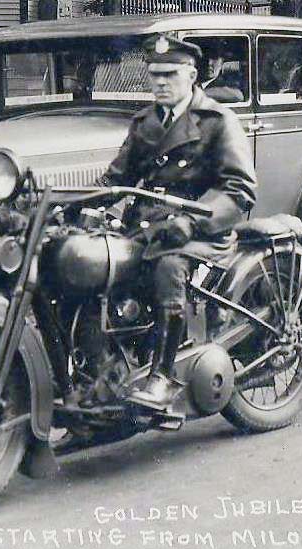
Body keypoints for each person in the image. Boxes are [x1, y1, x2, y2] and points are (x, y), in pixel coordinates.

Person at [97, 34, 257, 412]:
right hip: (148, 230)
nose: (160, 82)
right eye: (154, 75)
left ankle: (163, 376)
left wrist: (192, 221)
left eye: (170, 74)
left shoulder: (218, 121)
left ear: (192, 75)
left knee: (168, 268)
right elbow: (115, 179)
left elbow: (239, 190)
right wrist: (68, 201)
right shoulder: (145, 122)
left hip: (200, 234)